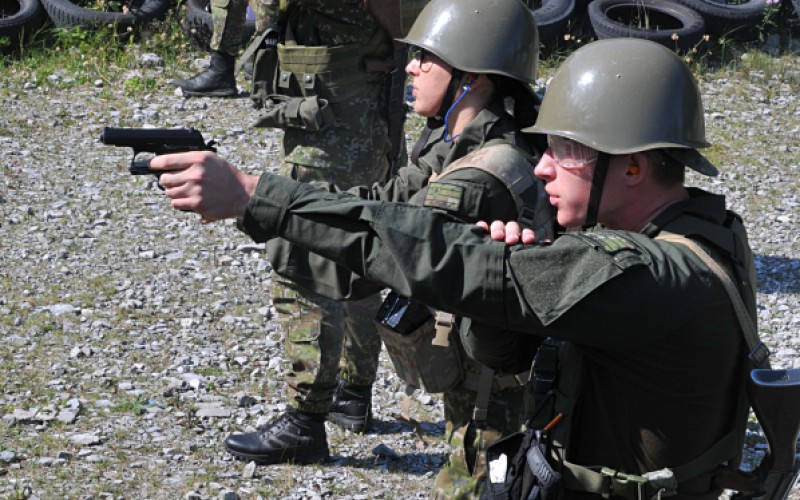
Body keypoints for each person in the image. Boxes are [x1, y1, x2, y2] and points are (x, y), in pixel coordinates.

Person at [149, 38, 759, 499]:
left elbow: (437, 252)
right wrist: (505, 285)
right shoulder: (704, 230)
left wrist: (257, 195)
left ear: (633, 166)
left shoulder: (647, 272)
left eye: (566, 151)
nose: (543, 168)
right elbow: (506, 352)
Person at [234, 1, 551, 492]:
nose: (409, 66)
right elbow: (384, 202)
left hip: (495, 406)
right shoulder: (456, 137)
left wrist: (258, 203)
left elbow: (385, 247)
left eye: (426, 58)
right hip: (484, 384)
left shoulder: (473, 178)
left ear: (470, 76)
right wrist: (280, 205)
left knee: (476, 485)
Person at [188, 0, 429, 469]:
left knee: (304, 254)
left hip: (331, 117)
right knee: (360, 243)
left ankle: (305, 419)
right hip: (373, 105)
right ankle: (352, 391)